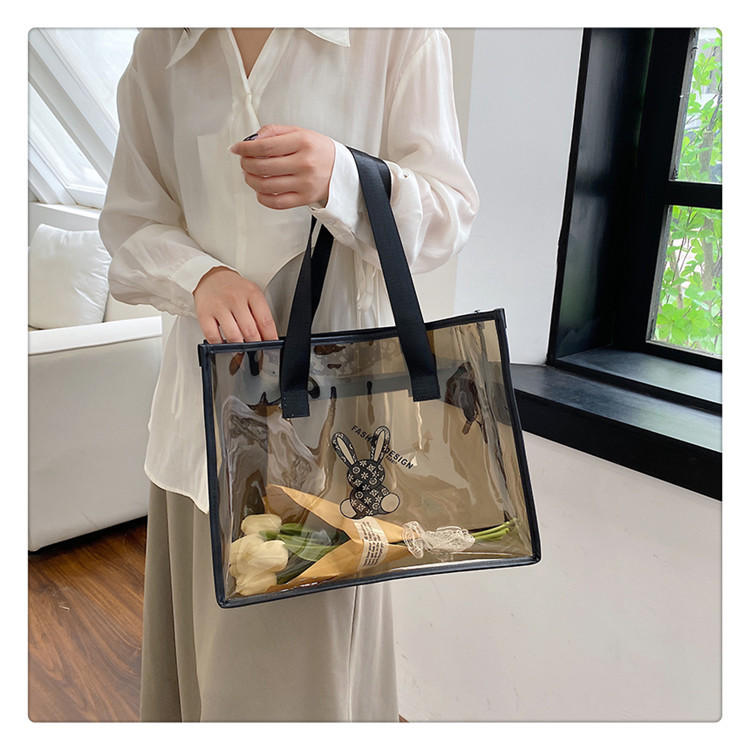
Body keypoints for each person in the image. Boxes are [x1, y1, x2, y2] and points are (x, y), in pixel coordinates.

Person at [99, 27, 478, 722]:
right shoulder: (165, 43)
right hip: (201, 425)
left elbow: (449, 215)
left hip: (333, 442)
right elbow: (129, 223)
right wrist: (199, 277)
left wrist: (344, 177)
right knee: (204, 676)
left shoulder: (396, 32)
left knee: (307, 692)